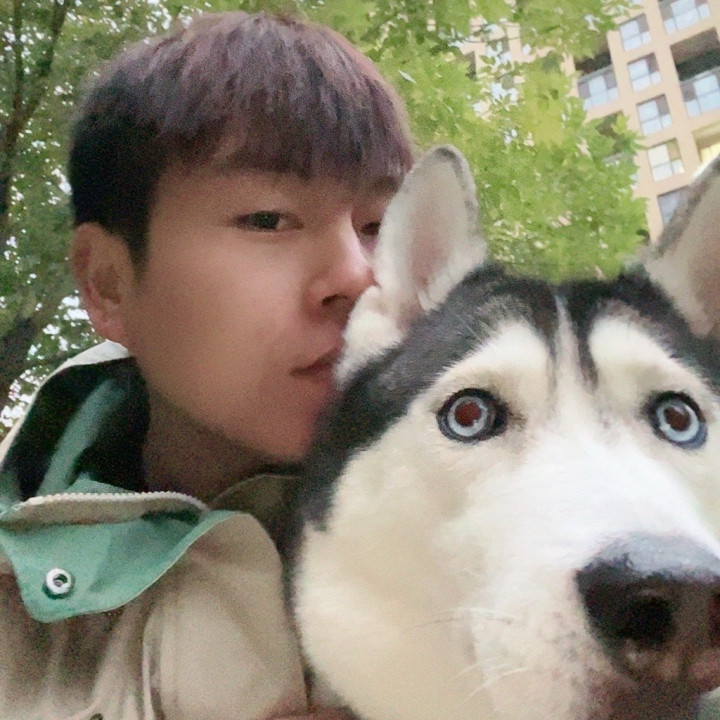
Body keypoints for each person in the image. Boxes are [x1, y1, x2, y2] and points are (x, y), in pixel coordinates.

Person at [0, 10, 414, 719]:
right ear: (108, 284)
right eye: (269, 219)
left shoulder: (531, 552)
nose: (357, 275)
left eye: (378, 226)